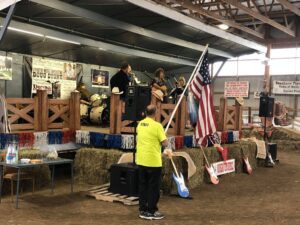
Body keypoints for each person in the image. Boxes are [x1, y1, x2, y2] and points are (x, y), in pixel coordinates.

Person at [136, 105, 172, 220]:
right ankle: (151, 211)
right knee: (153, 187)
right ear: (155, 113)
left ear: (145, 113)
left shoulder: (140, 124)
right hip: (153, 162)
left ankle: (142, 210)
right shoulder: (157, 126)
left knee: (143, 186)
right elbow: (165, 143)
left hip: (141, 160)